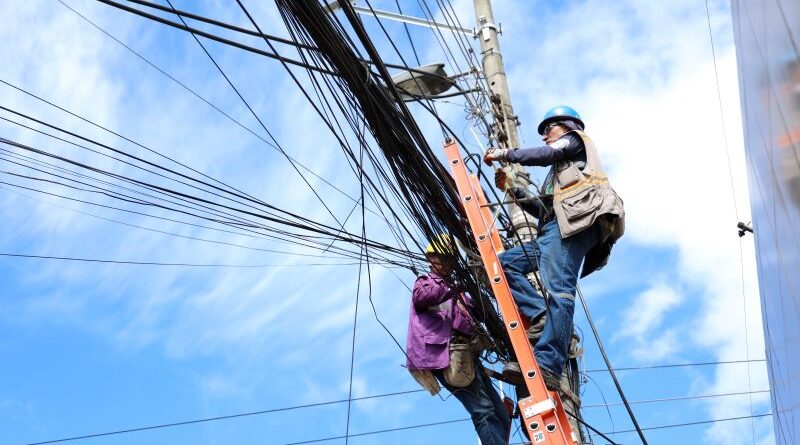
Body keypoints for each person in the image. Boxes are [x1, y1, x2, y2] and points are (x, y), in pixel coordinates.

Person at [483, 106, 625, 391]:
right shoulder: (560, 174)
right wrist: (513, 190)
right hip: (555, 230)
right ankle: (540, 314)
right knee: (506, 265)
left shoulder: (575, 140)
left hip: (574, 228)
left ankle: (548, 364)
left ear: (567, 125)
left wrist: (505, 154)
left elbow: (548, 153)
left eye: (549, 129)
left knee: (559, 291)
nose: (546, 136)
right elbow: (545, 210)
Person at [406, 234, 511, 445]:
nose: (445, 264)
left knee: (500, 413)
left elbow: (478, 313)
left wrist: (481, 288)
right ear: (431, 258)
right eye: (441, 258)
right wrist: (456, 287)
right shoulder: (426, 282)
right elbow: (424, 297)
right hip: (445, 355)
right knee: (483, 411)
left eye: (449, 260)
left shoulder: (459, 294)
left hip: (466, 354)